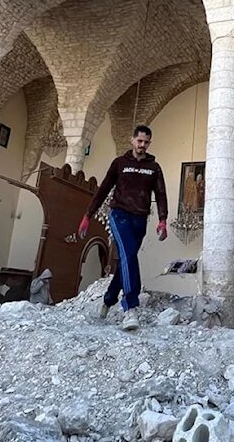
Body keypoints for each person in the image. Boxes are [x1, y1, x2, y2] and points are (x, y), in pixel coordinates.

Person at [78, 124, 169, 331]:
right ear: (132, 140)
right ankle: (130, 308)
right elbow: (103, 189)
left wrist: (162, 220)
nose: (142, 145)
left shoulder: (154, 167)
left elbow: (161, 194)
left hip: (140, 218)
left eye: (146, 142)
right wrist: (87, 216)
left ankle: (108, 300)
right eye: (139, 141)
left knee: (125, 262)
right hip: (119, 215)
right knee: (128, 255)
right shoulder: (119, 163)